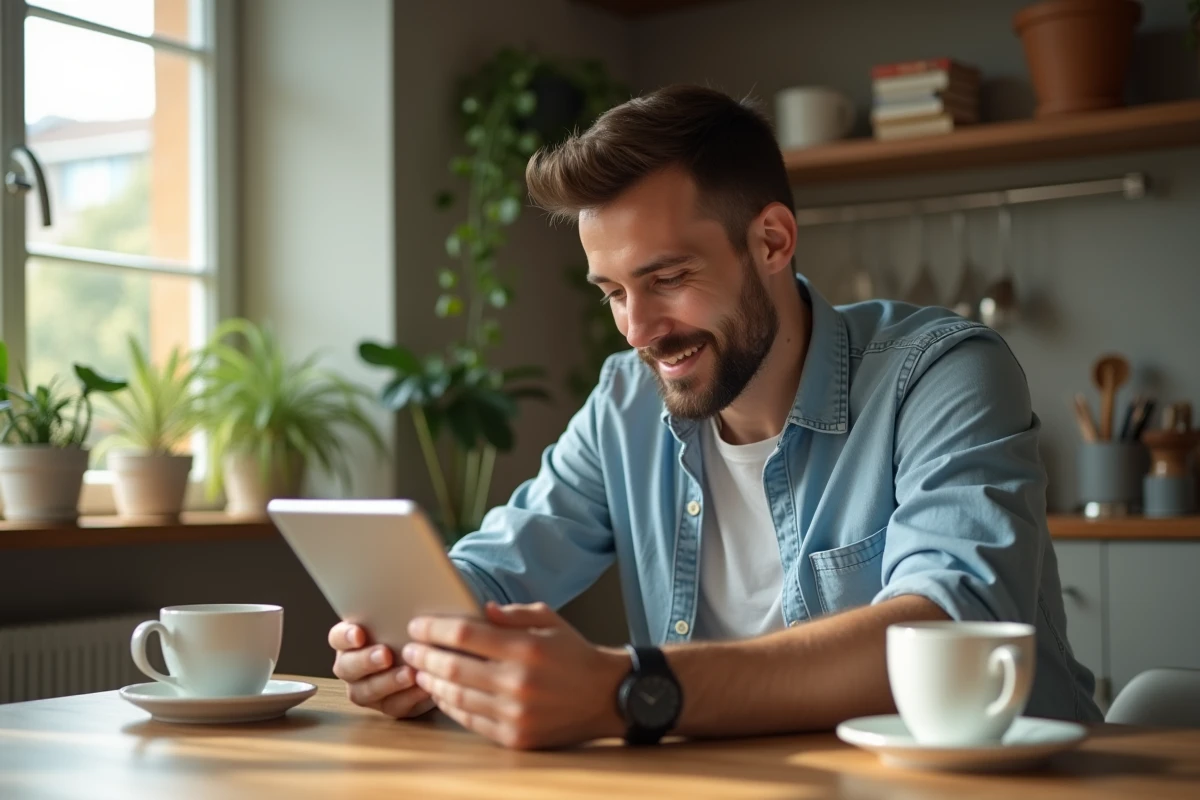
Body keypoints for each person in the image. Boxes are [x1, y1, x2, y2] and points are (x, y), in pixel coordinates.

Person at [328, 84, 1103, 750]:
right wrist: (407, 649)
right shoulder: (626, 403)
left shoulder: (942, 373)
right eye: (612, 292)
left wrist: (629, 690)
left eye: (666, 277)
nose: (638, 328)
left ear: (771, 240)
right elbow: (492, 569)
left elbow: (947, 630)